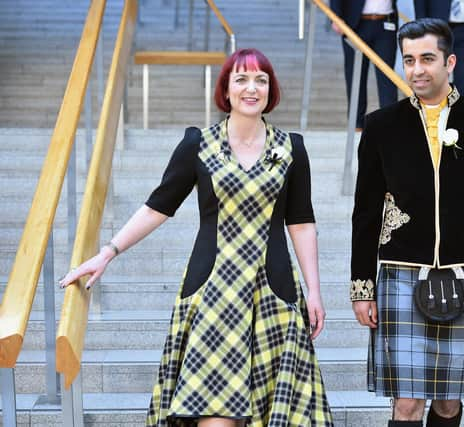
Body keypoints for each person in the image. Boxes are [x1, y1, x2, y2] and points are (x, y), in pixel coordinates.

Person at [60, 48, 333, 427]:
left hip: (274, 293)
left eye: (261, 80)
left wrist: (314, 291)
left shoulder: (291, 148)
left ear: (271, 90)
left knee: (275, 416)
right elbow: (159, 205)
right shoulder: (198, 144)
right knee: (214, 419)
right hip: (212, 295)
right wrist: (107, 252)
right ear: (226, 89)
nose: (251, 88)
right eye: (241, 79)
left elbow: (301, 221)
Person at [350, 19, 464, 427]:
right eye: (409, 60)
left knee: (448, 402)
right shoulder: (380, 126)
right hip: (401, 275)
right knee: (407, 403)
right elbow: (366, 212)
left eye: (427, 58)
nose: (417, 69)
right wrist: (361, 287)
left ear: (450, 61)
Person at [330, 0, 399, 130]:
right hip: (355, 24)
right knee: (355, 76)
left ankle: (391, 125)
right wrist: (335, 16)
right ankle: (356, 125)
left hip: (386, 24)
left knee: (387, 77)